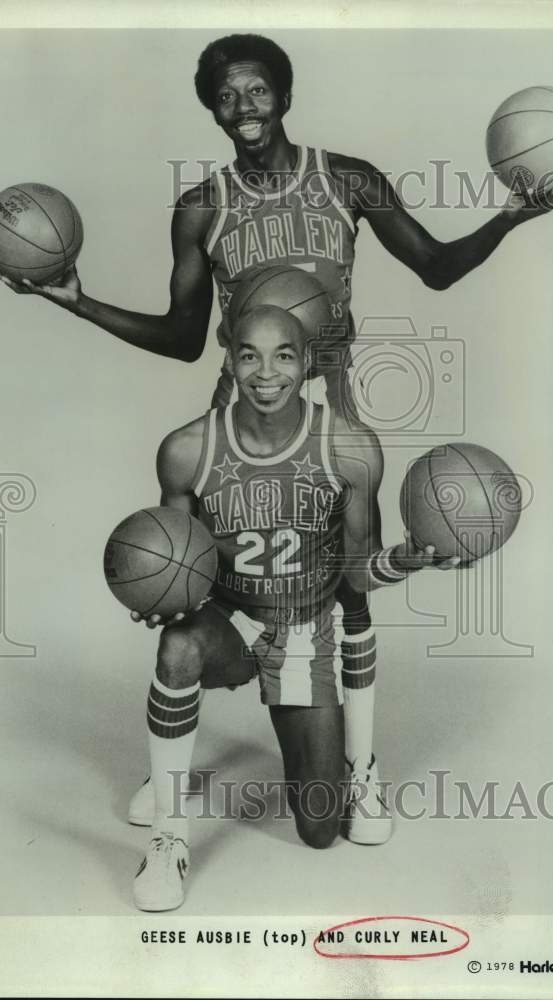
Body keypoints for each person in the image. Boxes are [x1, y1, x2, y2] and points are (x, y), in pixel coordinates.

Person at [0, 33, 553, 842]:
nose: (244, 109)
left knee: (346, 584)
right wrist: (75, 299)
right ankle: (191, 714)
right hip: (240, 423)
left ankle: (360, 774)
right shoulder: (202, 207)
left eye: (257, 91)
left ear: (285, 93)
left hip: (330, 415)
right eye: (227, 96)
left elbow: (437, 267)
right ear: (211, 108)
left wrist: (509, 217)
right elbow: (184, 336)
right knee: (207, 581)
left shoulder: (347, 180)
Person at [132, 303, 461, 911]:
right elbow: (179, 565)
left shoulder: (350, 447)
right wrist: (163, 600)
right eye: (249, 355)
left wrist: (413, 559)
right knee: (176, 646)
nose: (266, 372)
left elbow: (356, 574)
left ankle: (353, 769)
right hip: (229, 617)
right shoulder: (187, 450)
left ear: (307, 363)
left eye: (283, 355)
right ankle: (167, 833)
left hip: (306, 627)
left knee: (318, 828)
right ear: (229, 359)